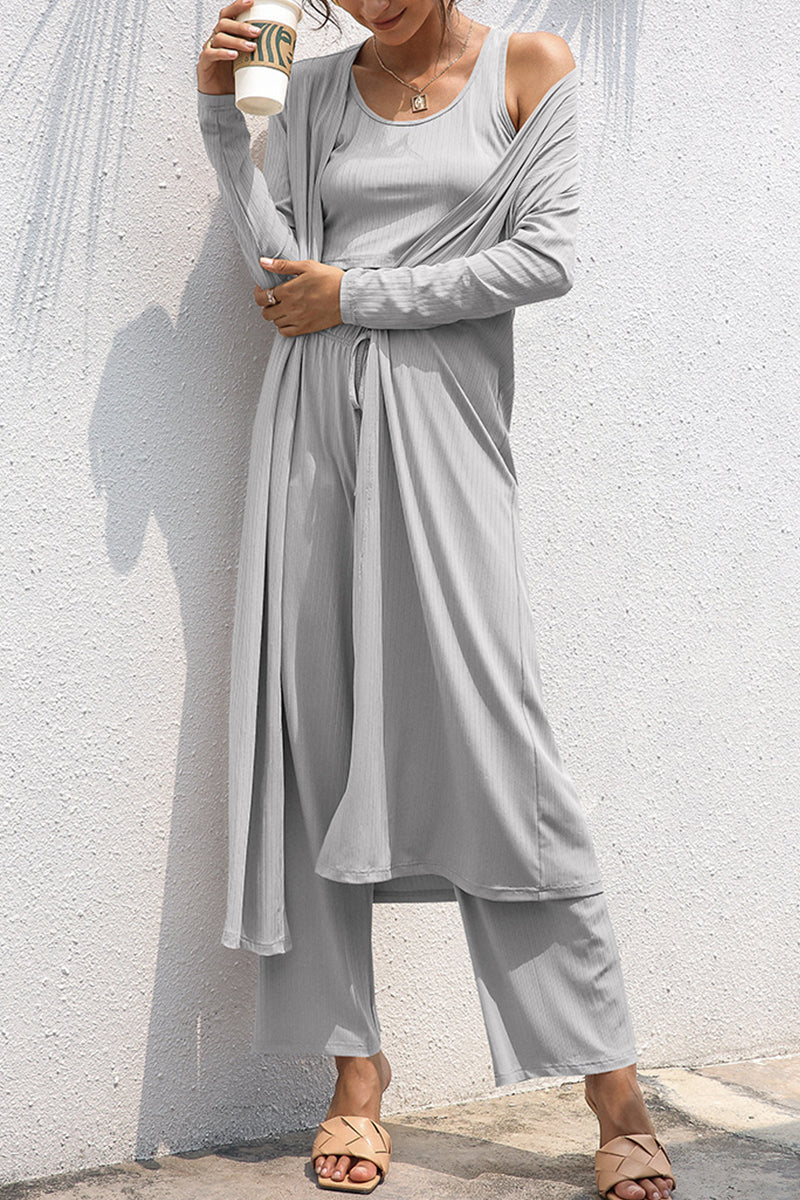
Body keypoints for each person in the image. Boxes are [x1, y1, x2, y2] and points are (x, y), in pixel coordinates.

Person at [196, 2, 677, 1197]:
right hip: (310, 432)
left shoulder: (527, 66)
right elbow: (280, 272)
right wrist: (221, 121)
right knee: (314, 738)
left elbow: (544, 257)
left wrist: (357, 294)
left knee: (497, 753)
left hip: (447, 437)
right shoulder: (312, 88)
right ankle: (355, 1080)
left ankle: (612, 1090)